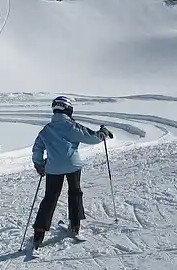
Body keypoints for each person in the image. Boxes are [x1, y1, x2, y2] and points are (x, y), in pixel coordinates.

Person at [31, 96, 113, 248]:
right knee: (75, 192)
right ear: (68, 109)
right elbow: (91, 137)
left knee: (50, 197)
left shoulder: (47, 130)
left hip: (53, 168)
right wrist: (103, 133)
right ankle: (75, 227)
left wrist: (39, 164)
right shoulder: (72, 126)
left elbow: (37, 149)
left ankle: (39, 234)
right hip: (73, 166)